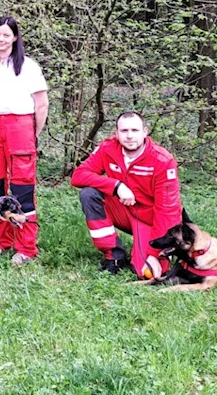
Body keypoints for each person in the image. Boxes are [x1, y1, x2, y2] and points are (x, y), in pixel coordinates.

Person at [0, 16, 49, 265]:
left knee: (22, 189)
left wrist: (32, 133)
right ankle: (2, 241)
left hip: (21, 125)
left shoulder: (29, 66)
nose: (1, 39)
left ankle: (26, 247)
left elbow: (41, 103)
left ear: (15, 38)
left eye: (6, 35)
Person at [71, 111, 182, 278]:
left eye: (135, 130)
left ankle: (168, 250)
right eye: (124, 131)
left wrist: (154, 253)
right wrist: (116, 185)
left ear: (145, 132)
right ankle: (113, 255)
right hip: (123, 210)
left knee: (147, 273)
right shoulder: (108, 148)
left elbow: (167, 212)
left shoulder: (163, 160)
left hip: (150, 219)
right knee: (89, 194)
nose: (129, 136)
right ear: (117, 133)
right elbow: (78, 176)